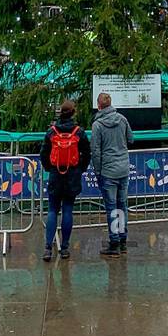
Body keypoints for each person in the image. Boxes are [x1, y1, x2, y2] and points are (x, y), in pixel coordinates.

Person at [39, 99, 91, 261]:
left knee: (53, 210)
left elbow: (43, 153)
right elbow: (87, 153)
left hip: (56, 174)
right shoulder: (79, 132)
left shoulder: (52, 132)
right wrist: (79, 169)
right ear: (73, 113)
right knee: (68, 210)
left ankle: (48, 247)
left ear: (60, 113)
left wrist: (50, 168)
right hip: (72, 175)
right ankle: (65, 248)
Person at [90, 92, 132, 257]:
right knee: (122, 205)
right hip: (123, 169)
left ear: (99, 106)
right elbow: (131, 138)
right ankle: (123, 240)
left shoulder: (97, 125)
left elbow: (95, 150)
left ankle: (114, 242)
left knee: (111, 207)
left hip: (108, 171)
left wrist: (98, 170)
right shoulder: (122, 119)